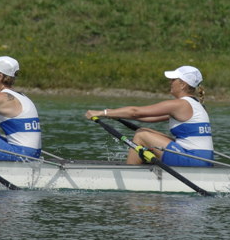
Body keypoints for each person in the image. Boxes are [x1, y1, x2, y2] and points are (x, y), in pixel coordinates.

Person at [85, 65, 214, 166]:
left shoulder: (180, 105)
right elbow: (147, 118)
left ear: (183, 84)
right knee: (144, 131)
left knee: (141, 136)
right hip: (204, 159)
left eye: (173, 80)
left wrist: (103, 113)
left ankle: (132, 175)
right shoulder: (198, 105)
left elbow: (136, 112)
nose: (170, 82)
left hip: (193, 160)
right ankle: (144, 163)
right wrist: (116, 115)